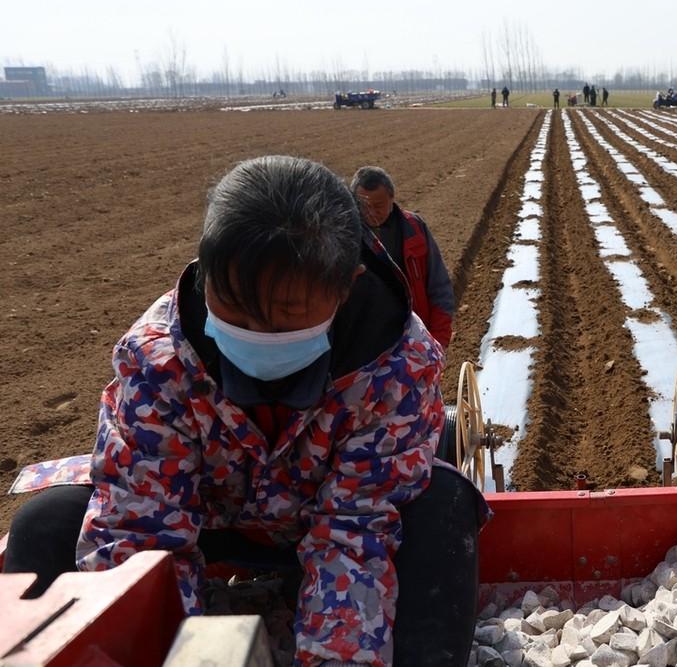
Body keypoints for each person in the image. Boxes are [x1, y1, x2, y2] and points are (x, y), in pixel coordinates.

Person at [3, 155, 487, 666]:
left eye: (286, 313)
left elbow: (355, 532)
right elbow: (139, 532)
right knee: (47, 521)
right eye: (232, 307)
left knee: (443, 503)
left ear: (346, 286)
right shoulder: (157, 358)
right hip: (207, 520)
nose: (256, 332)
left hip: (316, 523)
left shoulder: (397, 368)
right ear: (205, 272)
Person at [352, 166, 455, 349]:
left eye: (378, 206)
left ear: (392, 199)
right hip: (373, 351)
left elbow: (440, 288)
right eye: (364, 206)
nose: (371, 213)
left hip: (419, 341)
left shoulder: (414, 228)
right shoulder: (348, 238)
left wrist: (438, 342)